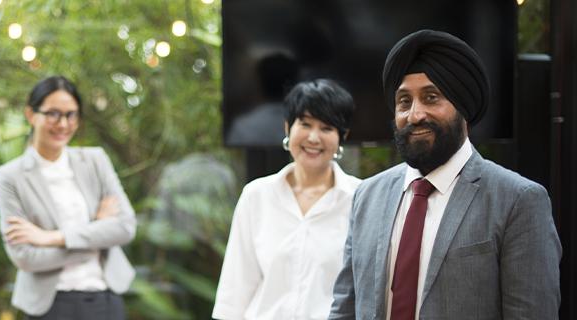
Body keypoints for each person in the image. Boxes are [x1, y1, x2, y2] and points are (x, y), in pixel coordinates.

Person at [329, 29, 561, 320]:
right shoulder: (367, 195)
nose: (415, 115)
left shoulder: (518, 201)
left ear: (463, 107)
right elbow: (345, 308)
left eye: (431, 97)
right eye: (404, 101)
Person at [213, 79, 361, 319]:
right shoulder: (256, 196)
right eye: (305, 124)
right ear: (287, 128)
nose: (313, 137)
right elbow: (235, 289)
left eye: (326, 128)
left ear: (342, 136)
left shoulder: (360, 199)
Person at [0, 76, 136, 319]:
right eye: (53, 114)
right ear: (31, 114)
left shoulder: (95, 160)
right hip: (50, 306)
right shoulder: (10, 176)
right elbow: (25, 257)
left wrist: (51, 238)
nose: (63, 124)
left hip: (106, 298)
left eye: (71, 115)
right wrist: (98, 235)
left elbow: (125, 227)